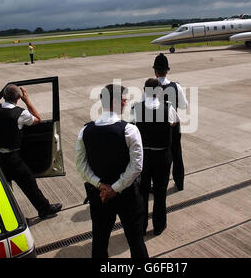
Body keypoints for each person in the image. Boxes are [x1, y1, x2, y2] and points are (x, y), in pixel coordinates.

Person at [76, 84, 148, 259]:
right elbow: (136, 166)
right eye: (124, 98)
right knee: (135, 241)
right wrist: (115, 188)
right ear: (116, 101)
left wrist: (101, 185)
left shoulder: (85, 131)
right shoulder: (130, 130)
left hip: (99, 196)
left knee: (99, 242)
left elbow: (81, 166)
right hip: (127, 195)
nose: (126, 102)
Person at [0, 84, 62, 219]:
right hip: (12, 159)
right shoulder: (20, 113)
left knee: (2, 189)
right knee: (29, 185)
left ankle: (6, 217)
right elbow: (38, 119)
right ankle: (44, 209)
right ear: (18, 98)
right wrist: (27, 101)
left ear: (3, 97)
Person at [131, 78, 179, 236]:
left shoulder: (136, 108)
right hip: (162, 156)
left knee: (142, 193)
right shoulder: (168, 108)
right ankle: (159, 225)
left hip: (143, 157)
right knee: (160, 192)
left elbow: (132, 127)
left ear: (145, 91)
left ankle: (142, 225)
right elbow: (174, 123)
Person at [153, 53, 188, 191]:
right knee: (177, 154)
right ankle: (179, 183)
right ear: (167, 71)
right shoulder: (175, 86)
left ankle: (159, 185)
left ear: (155, 72)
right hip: (173, 125)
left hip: (156, 127)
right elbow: (184, 105)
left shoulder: (150, 87)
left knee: (159, 158)